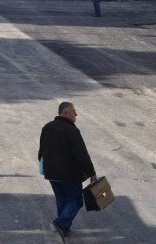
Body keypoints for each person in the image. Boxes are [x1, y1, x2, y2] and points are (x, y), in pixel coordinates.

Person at [38, 101, 97, 238]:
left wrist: (47, 167)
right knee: (76, 201)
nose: (76, 114)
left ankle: (64, 229)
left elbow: (41, 150)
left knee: (62, 199)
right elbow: (81, 154)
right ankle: (60, 223)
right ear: (65, 113)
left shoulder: (47, 127)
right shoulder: (71, 130)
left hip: (51, 174)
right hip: (69, 175)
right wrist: (91, 172)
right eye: (73, 111)